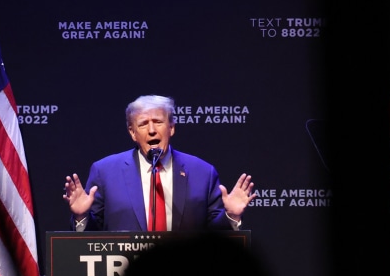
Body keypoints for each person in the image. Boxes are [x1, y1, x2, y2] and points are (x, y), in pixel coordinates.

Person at [63, 94, 256, 233]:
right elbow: (90, 239)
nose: (152, 130)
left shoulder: (202, 173)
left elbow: (216, 237)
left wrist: (231, 216)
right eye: (143, 124)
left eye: (158, 122)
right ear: (132, 133)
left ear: (171, 128)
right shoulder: (105, 171)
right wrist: (82, 217)